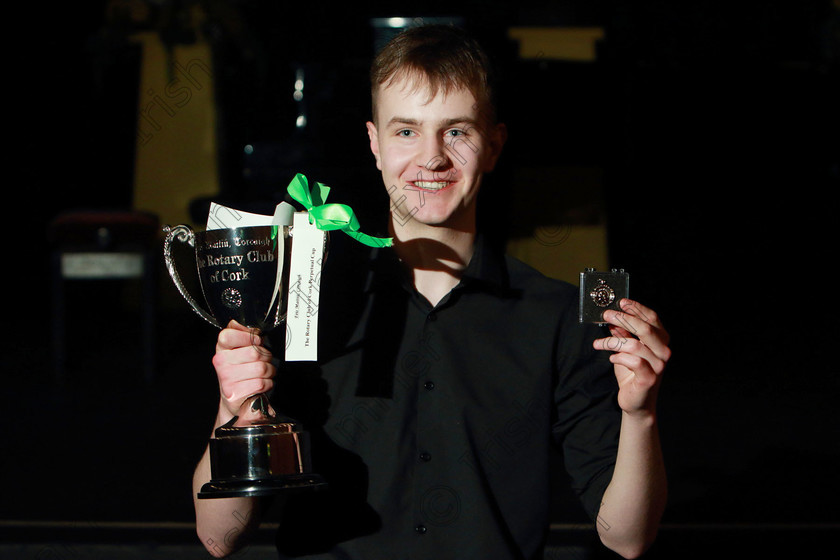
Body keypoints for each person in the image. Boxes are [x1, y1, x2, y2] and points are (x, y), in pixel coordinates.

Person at [194, 24, 670, 559]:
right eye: (406, 132)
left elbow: (627, 538)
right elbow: (218, 536)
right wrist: (233, 406)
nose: (432, 158)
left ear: (494, 145)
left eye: (456, 131)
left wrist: (640, 414)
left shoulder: (557, 317)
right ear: (374, 144)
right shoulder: (304, 302)